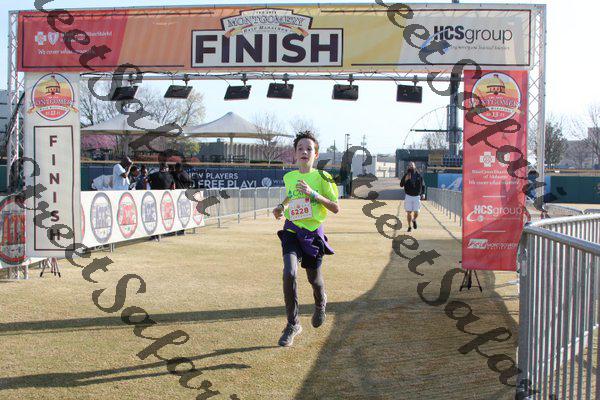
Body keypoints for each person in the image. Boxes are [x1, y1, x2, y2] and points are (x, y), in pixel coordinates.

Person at [272, 131, 340, 347]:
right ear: (294, 154)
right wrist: (281, 206)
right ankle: (293, 324)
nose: (304, 152)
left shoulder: (323, 177)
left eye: (309, 149)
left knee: (314, 280)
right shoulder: (289, 177)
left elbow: (335, 207)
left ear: (316, 154)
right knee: (289, 272)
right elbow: (291, 196)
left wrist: (313, 194)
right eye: (300, 148)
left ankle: (321, 302)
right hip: (292, 230)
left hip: (312, 234)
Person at [400, 161, 424, 232]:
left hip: (417, 196)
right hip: (408, 196)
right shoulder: (406, 175)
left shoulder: (419, 176)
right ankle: (409, 226)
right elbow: (401, 185)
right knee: (408, 212)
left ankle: (414, 220)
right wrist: (405, 179)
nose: (411, 166)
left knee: (416, 212)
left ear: (414, 166)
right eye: (409, 165)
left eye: (412, 165)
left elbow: (423, 185)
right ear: (408, 167)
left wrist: (423, 193)